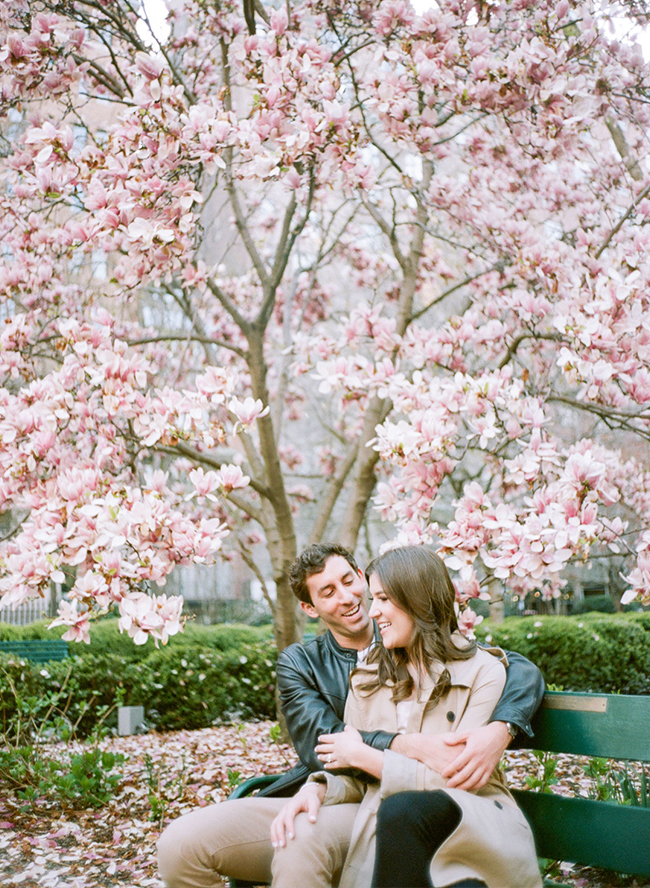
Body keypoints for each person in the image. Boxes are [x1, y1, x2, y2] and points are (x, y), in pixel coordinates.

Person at [157, 543, 544, 888]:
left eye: (351, 582)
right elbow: (330, 748)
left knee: (304, 841)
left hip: (426, 812)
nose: (355, 601)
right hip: (351, 794)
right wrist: (322, 782)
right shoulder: (315, 665)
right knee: (180, 844)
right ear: (309, 609)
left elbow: (506, 668)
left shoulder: (468, 664)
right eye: (328, 591)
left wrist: (502, 727)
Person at [270, 546, 542, 888]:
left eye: (382, 598)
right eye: (374, 598)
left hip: (470, 825)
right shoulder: (369, 677)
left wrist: (365, 754)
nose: (372, 611)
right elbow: (354, 774)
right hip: (390, 826)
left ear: (416, 598)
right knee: (387, 816)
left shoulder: (483, 672)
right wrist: (319, 786)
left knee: (405, 815)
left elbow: (458, 774)